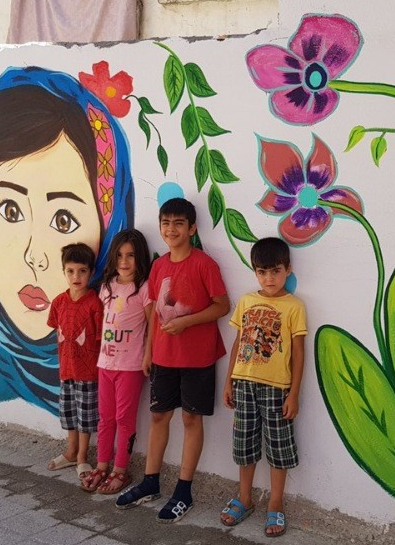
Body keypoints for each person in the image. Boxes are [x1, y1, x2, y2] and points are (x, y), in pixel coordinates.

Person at [0, 67, 134, 414]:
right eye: (10, 209)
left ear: (107, 226)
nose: (34, 256)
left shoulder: (101, 335)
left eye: (63, 219)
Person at [116, 198, 230, 523]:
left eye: (179, 223)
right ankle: (151, 481)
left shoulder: (204, 264)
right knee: (158, 418)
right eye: (166, 222)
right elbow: (153, 313)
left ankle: (184, 490)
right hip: (164, 357)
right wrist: (150, 350)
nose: (171, 229)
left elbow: (222, 306)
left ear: (192, 228)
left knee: (192, 421)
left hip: (198, 358)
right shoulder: (159, 265)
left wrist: (186, 322)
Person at [220, 237, 306, 538]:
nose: (269, 278)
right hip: (244, 384)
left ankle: (276, 503)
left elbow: (298, 353)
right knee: (244, 444)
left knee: (278, 448)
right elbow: (238, 343)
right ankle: (245, 498)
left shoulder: (294, 307)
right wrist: (229, 380)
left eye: (275, 271)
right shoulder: (246, 301)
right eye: (262, 272)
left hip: (276, 389)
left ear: (287, 270)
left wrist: (293, 394)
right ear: (255, 272)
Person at [81, 229, 153, 495]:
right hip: (105, 364)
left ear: (139, 257)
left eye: (131, 255)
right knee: (105, 418)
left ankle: (120, 469)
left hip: (130, 366)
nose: (124, 261)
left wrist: (148, 355)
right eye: (120, 255)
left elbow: (152, 323)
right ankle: (102, 465)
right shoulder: (107, 287)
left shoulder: (143, 288)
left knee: (124, 419)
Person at [46, 243, 103, 480]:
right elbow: (56, 330)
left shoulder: (94, 303)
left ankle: (82, 456)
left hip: (88, 372)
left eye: (82, 271)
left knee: (85, 416)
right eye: (70, 271)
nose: (76, 276)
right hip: (66, 370)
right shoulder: (59, 302)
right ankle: (70, 452)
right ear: (64, 272)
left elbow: (100, 338)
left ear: (91, 272)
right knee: (69, 413)